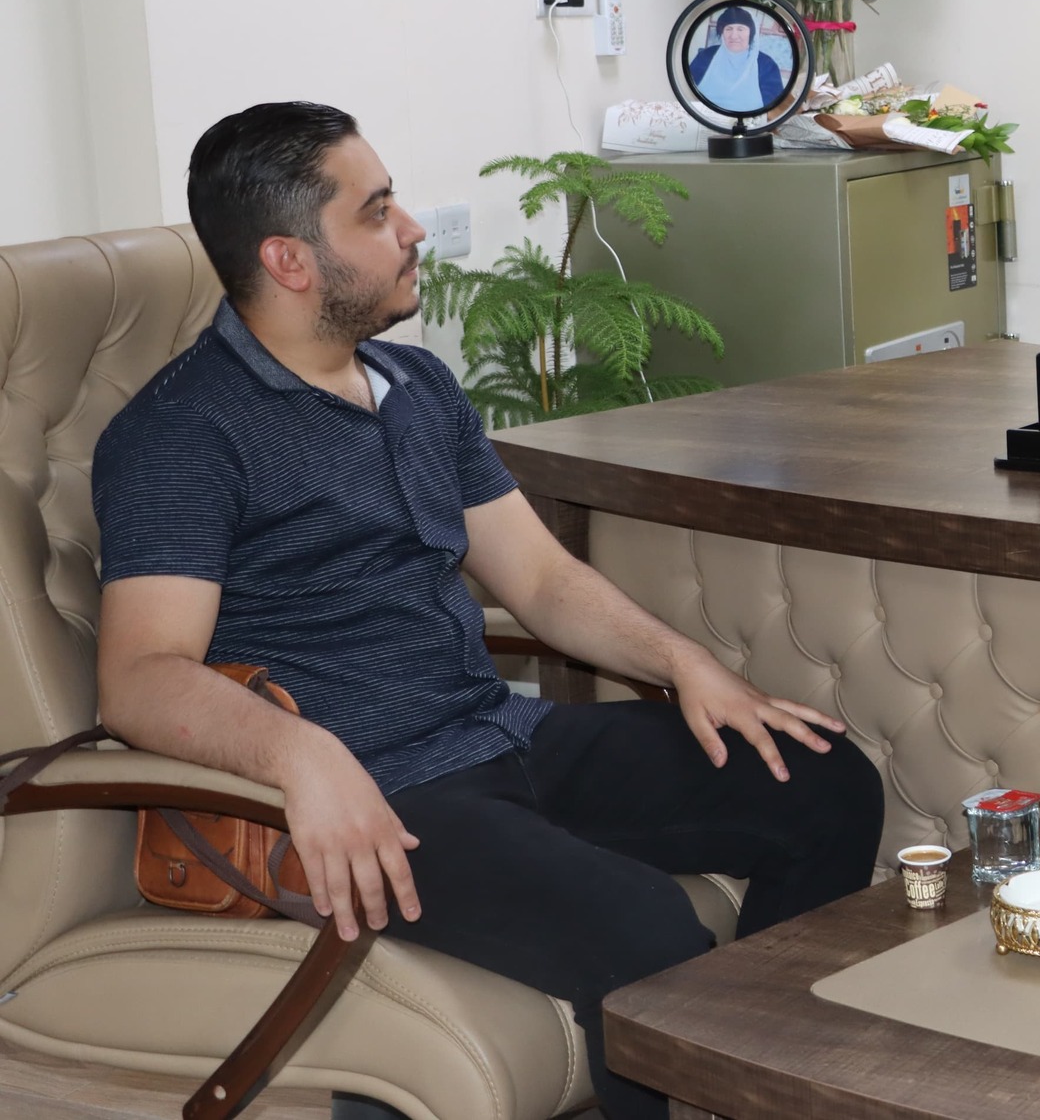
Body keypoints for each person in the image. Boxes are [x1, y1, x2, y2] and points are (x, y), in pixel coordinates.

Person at [90, 102, 884, 1120]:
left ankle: (764, 1085)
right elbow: (140, 677)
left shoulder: (414, 382)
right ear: (289, 261)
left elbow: (542, 581)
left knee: (822, 782)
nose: (412, 227)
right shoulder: (182, 434)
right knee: (646, 934)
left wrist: (685, 663)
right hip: (384, 797)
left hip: (500, 733)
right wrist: (302, 756)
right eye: (376, 212)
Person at [687, 6, 786, 111]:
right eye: (729, 29)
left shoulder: (766, 65)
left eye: (740, 29)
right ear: (722, 32)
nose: (734, 36)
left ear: (751, 33)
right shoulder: (706, 56)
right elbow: (688, 88)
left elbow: (773, 104)